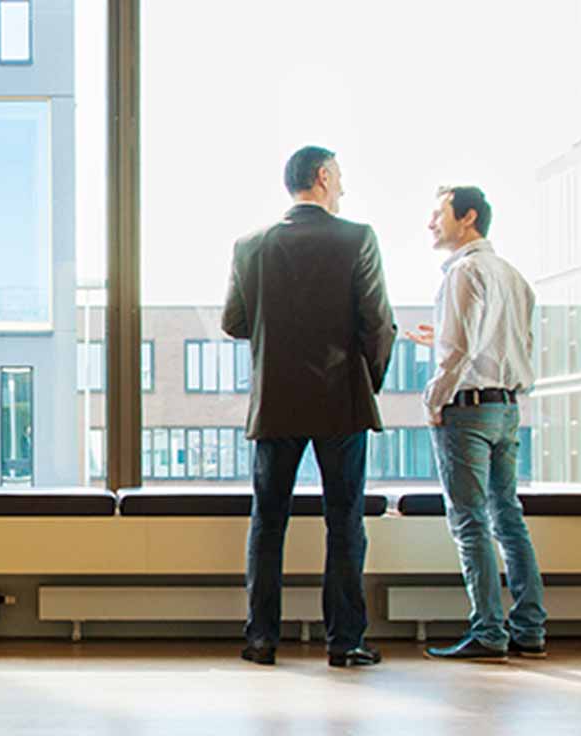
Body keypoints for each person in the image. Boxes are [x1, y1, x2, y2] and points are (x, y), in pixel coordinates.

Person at [221, 146, 396, 668]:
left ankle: (261, 639)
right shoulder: (357, 238)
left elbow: (233, 321)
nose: (342, 187)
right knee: (344, 521)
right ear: (321, 177)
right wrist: (370, 382)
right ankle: (344, 642)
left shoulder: (250, 245)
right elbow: (378, 324)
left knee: (267, 521)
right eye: (339, 176)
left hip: (275, 402)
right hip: (341, 401)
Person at [407, 185, 548, 661]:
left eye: (438, 213)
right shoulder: (513, 276)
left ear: (467, 218)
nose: (431, 223)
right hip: (506, 407)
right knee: (508, 517)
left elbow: (463, 349)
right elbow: (511, 345)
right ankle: (529, 627)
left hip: (467, 410)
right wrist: (444, 345)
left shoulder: (464, 271)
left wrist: (434, 398)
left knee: (469, 522)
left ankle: (489, 631)